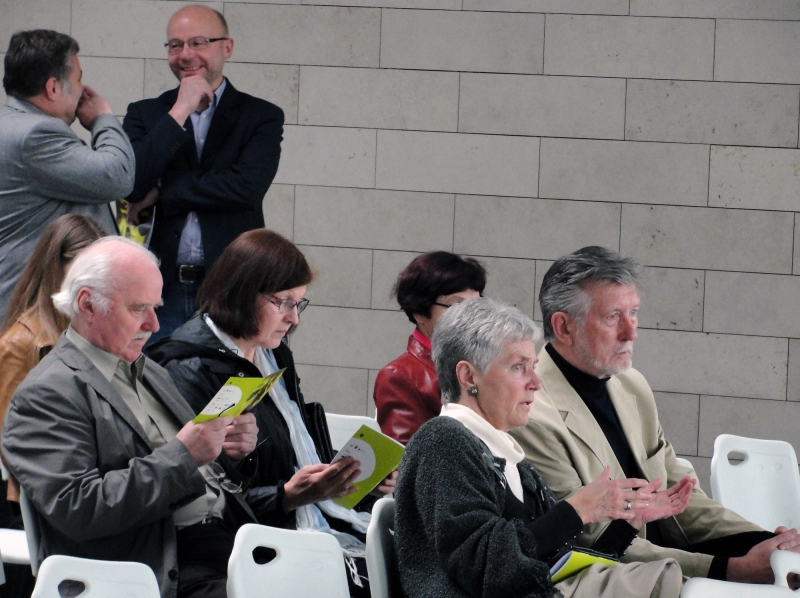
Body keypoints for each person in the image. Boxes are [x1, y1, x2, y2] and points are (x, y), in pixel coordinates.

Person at [510, 246, 800, 584]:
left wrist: (766, 542)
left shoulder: (631, 385)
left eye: (634, 313)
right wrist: (727, 569)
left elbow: (682, 494)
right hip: (618, 576)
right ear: (563, 327)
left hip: (672, 554)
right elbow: (592, 542)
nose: (631, 332)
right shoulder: (533, 413)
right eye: (613, 317)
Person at [1, 237, 260, 598]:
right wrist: (184, 455)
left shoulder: (149, 370)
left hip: (224, 544)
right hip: (153, 568)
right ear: (87, 304)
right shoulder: (47, 393)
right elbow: (79, 509)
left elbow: (200, 476)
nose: (155, 325)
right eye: (139, 308)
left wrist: (232, 453)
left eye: (157, 307)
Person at [148, 229, 395, 597]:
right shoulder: (189, 368)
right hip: (241, 545)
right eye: (284, 302)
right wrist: (288, 496)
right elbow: (209, 504)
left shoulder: (271, 352)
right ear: (243, 293)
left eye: (299, 304)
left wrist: (351, 482)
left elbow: (292, 452)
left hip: (298, 518)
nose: (294, 319)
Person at [395, 297, 694, 598]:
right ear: (468, 376)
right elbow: (484, 569)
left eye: (533, 367)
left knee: (669, 580)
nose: (536, 382)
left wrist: (626, 524)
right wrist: (577, 511)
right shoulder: (443, 442)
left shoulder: (512, 461)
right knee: (671, 583)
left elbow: (556, 565)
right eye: (518, 367)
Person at [123, 4, 284, 342]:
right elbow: (134, 183)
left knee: (226, 391)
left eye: (198, 42)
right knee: (156, 388)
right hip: (159, 291)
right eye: (175, 45)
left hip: (233, 289)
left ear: (227, 47)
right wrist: (180, 110)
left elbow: (246, 188)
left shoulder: (260, 116)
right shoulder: (145, 114)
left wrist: (164, 190)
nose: (185, 54)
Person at [0, 29, 133, 322]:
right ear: (53, 88)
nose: (83, 88)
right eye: (78, 78)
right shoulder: (34, 135)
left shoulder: (11, 124)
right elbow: (117, 176)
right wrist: (103, 118)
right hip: (35, 310)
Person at [0, 214, 104, 503]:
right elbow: (11, 445)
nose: (92, 284)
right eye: (82, 271)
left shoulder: (97, 329)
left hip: (95, 487)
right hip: (43, 500)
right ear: (55, 269)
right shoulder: (18, 343)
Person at [374, 251, 486, 444]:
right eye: (456, 306)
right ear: (419, 312)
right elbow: (406, 463)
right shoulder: (399, 376)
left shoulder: (479, 361)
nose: (470, 317)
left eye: (476, 306)